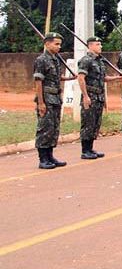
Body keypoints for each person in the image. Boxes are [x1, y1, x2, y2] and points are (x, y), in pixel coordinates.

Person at [33, 32, 76, 169]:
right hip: (46, 98)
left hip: (56, 98)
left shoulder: (56, 59)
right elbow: (38, 81)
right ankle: (43, 159)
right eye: (56, 44)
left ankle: (50, 156)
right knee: (45, 128)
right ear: (47, 44)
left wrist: (69, 78)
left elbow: (57, 77)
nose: (59, 47)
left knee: (53, 128)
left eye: (60, 44)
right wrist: (40, 102)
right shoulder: (41, 60)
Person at [77, 36, 122, 159]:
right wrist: (85, 96)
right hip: (90, 95)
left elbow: (104, 78)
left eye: (100, 44)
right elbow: (81, 78)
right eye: (97, 44)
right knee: (88, 123)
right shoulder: (86, 60)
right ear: (90, 46)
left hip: (99, 96)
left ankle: (90, 148)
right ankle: (85, 150)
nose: (100, 46)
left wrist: (117, 78)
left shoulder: (99, 61)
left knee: (95, 123)